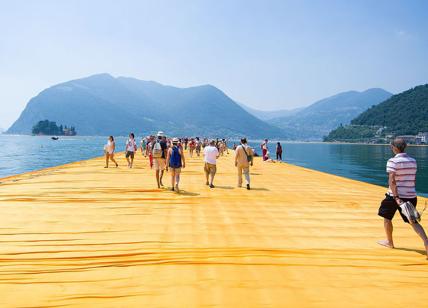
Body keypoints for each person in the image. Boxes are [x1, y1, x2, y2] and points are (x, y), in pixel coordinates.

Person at [377, 138, 428, 258]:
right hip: (411, 195)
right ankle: (426, 241)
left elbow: (392, 180)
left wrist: (396, 197)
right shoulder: (413, 161)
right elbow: (413, 179)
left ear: (394, 147)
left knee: (387, 217)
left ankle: (390, 242)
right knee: (413, 221)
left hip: (395, 197)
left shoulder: (392, 161)